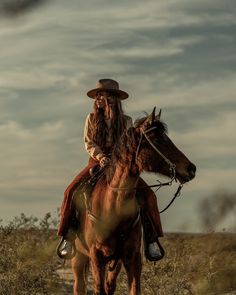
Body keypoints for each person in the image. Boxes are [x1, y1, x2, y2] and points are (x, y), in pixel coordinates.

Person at [57, 79, 164, 260]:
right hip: (96, 162)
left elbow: (128, 145)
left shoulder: (126, 121)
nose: (98, 99)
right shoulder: (91, 119)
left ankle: (152, 240)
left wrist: (115, 159)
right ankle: (68, 235)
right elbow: (88, 143)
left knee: (148, 196)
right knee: (71, 191)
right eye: (97, 96)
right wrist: (101, 157)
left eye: (103, 95)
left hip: (120, 164)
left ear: (114, 99)